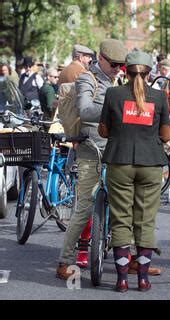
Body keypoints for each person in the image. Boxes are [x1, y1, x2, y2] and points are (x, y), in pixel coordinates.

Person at [98, 51, 170, 292]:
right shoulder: (160, 97)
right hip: (151, 164)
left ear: (125, 71)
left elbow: (103, 130)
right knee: (145, 220)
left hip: (120, 162)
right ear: (149, 73)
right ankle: (142, 278)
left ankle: (120, 280)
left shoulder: (113, 94)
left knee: (121, 218)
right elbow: (166, 135)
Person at [56, 38, 128, 279]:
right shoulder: (88, 78)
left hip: (117, 150)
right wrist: (118, 108)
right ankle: (64, 261)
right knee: (84, 208)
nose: (118, 68)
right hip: (91, 150)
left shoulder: (119, 81)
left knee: (127, 206)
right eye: (114, 64)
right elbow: (85, 110)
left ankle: (134, 258)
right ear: (101, 59)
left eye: (122, 64)